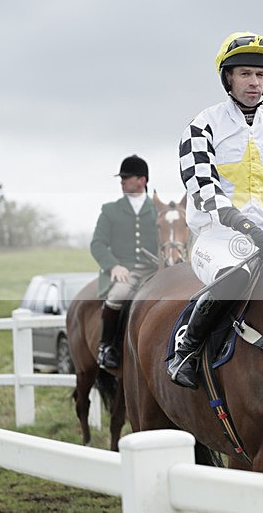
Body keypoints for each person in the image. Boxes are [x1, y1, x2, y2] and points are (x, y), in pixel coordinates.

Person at [169, 31, 263, 389]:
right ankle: (186, 347)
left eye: (261, 75)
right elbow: (203, 191)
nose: (254, 82)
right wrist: (249, 229)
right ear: (228, 78)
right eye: (246, 73)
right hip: (218, 238)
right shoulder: (201, 127)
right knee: (236, 275)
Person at [91, 155, 159, 369]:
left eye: (127, 177)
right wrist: (114, 266)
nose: (122, 181)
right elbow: (97, 244)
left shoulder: (158, 209)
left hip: (154, 270)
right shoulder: (110, 210)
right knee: (118, 295)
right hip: (125, 271)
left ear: (142, 180)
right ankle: (106, 347)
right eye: (122, 177)